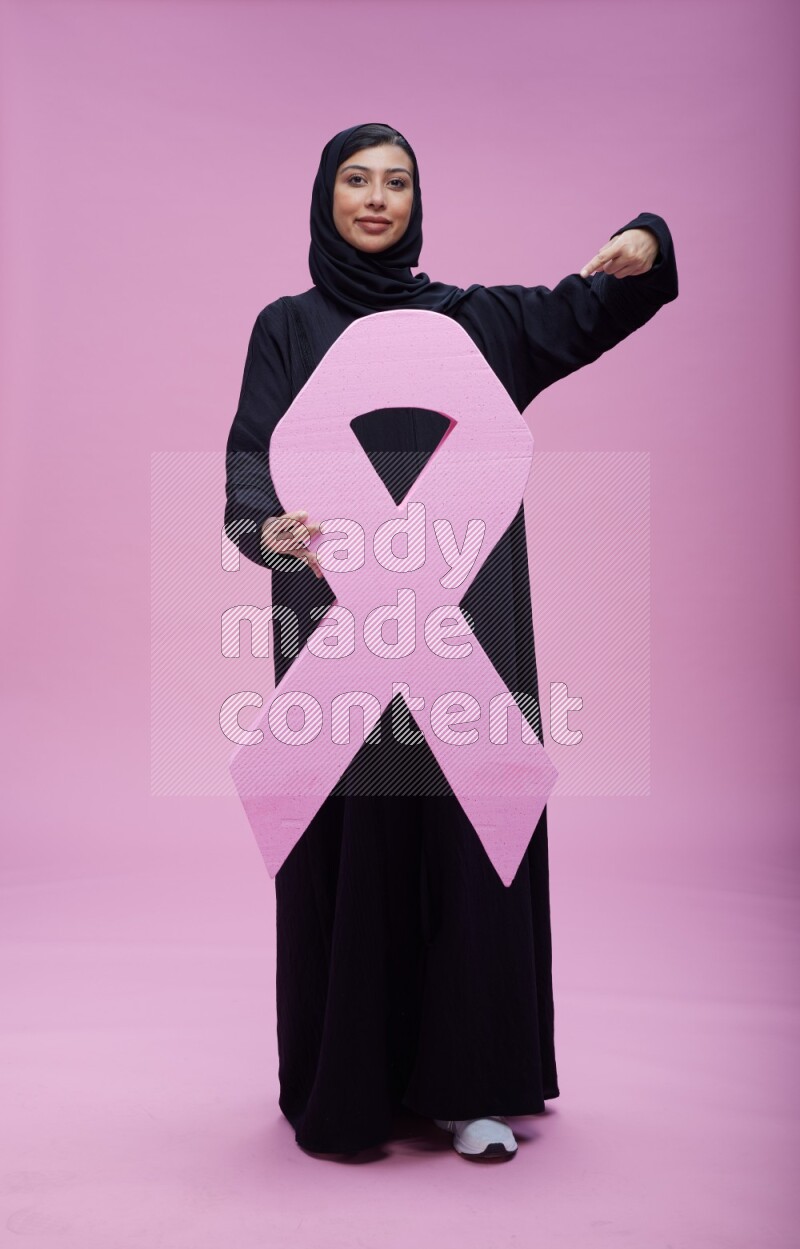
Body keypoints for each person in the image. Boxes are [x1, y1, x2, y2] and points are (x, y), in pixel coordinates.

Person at [224, 122, 679, 1161]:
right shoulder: (286, 328)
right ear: (324, 196)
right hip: (334, 619)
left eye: (396, 182)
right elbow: (251, 454)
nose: (375, 198)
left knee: (469, 837)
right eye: (355, 179)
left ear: (416, 203)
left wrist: (644, 240)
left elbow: (589, 306)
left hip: (464, 626)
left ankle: (467, 1083)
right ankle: (350, 1082)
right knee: (351, 840)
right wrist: (267, 529)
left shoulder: (473, 324)